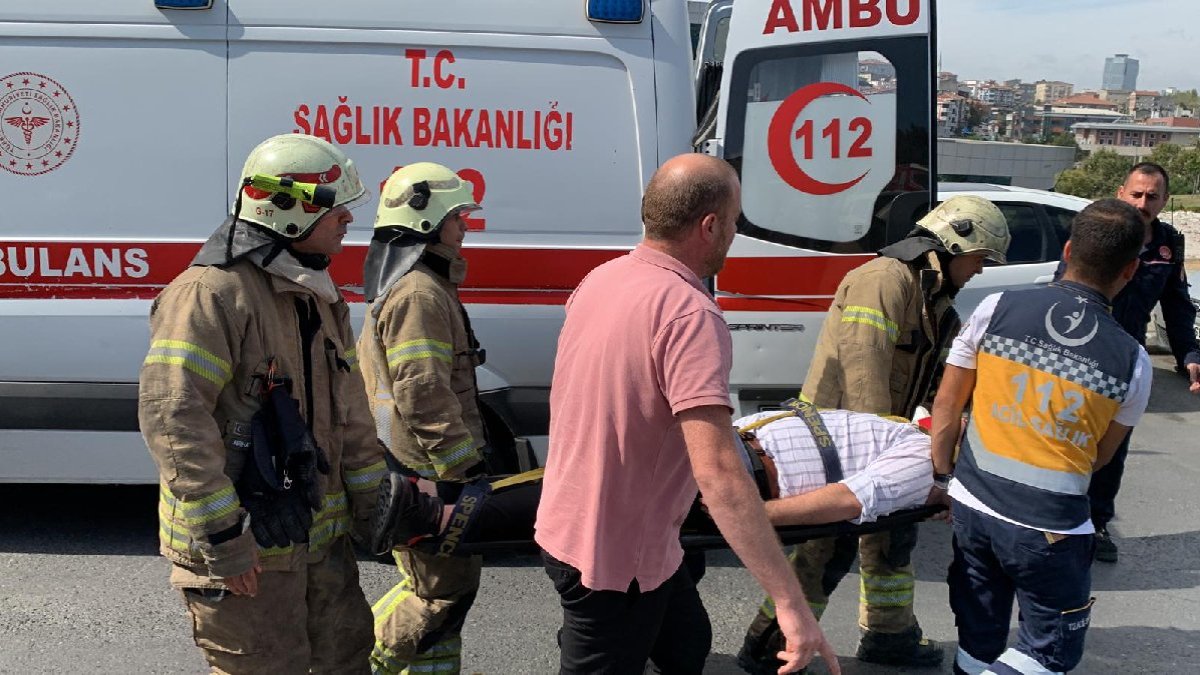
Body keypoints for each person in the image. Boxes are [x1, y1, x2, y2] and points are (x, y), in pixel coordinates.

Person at [533, 154, 839, 675]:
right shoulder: (690, 314)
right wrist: (791, 604)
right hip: (615, 555)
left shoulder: (603, 278)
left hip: (574, 520)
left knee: (686, 642)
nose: (735, 233)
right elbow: (718, 473)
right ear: (710, 225)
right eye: (735, 221)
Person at [138, 133, 388, 672]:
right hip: (247, 552)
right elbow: (174, 418)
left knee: (347, 659)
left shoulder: (317, 293)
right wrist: (226, 541)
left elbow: (350, 410)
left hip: (319, 547)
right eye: (336, 208)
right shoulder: (210, 294)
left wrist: (375, 508)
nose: (348, 219)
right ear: (287, 208)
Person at [739, 195, 1011, 673]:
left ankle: (889, 635)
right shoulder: (883, 280)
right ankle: (768, 649)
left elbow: (949, 388)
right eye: (979, 258)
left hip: (882, 439)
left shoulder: (936, 302)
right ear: (953, 243)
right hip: (839, 443)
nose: (980, 270)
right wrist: (882, 457)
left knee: (893, 538)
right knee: (826, 549)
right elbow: (863, 371)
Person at [931, 198, 1152, 674]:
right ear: (1130, 270)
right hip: (1051, 528)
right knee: (1050, 652)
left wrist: (944, 477)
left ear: (1067, 250)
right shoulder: (1133, 361)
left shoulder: (996, 308)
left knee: (978, 632)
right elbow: (1100, 456)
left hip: (973, 506)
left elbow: (947, 406)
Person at [370, 404, 940, 556]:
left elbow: (849, 499)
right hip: (729, 450)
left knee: (590, 492)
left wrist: (748, 515)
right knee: (586, 476)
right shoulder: (909, 430)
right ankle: (441, 501)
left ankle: (438, 517)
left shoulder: (923, 459)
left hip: (738, 479)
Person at [357, 162, 489, 674]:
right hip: (428, 471)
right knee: (438, 592)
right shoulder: (418, 294)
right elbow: (423, 393)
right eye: (457, 217)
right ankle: (365, 663)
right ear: (428, 222)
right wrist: (462, 472)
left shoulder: (423, 285)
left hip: (420, 465)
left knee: (445, 590)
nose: (464, 226)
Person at [1054, 162, 1200, 563]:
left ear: (1164, 200)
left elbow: (1176, 304)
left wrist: (1190, 354)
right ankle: (1051, 516)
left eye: (1152, 196)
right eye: (1136, 194)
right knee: (1064, 437)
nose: (1142, 203)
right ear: (1121, 193)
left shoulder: (1168, 244)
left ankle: (1096, 523)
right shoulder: (1098, 231)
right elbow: (1063, 285)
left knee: (1112, 447)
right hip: (1080, 351)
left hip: (1126, 361)